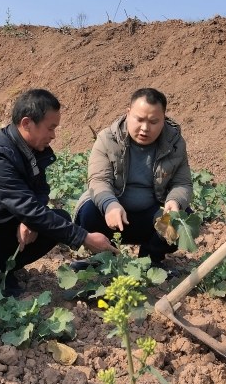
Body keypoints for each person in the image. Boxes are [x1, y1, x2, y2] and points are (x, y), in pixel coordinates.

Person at [0, 88, 116, 297]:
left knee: (56, 219)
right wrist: (84, 237)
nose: (53, 135)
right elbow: (25, 206)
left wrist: (28, 220)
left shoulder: (31, 151)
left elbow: (40, 191)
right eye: (50, 128)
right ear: (27, 123)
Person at [73, 87, 193, 269]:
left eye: (153, 122)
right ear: (128, 113)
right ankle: (103, 260)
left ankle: (151, 260)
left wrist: (174, 201)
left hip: (151, 218)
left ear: (163, 119)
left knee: (180, 219)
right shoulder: (108, 139)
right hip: (113, 216)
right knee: (89, 211)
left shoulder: (174, 143)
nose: (145, 128)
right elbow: (98, 180)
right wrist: (109, 204)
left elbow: (182, 182)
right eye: (139, 119)